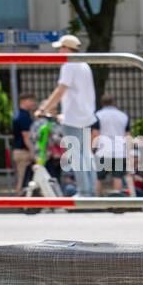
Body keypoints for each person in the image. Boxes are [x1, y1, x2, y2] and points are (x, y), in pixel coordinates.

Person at [38, 34, 96, 198]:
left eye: (59, 48)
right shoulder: (84, 65)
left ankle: (84, 192)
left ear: (65, 49)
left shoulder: (69, 65)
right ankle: (90, 190)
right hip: (86, 115)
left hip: (73, 117)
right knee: (86, 154)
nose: (58, 52)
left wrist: (44, 108)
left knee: (76, 154)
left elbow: (61, 90)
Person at [95, 93, 131, 195]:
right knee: (117, 177)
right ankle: (117, 202)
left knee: (98, 177)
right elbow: (128, 136)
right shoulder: (123, 116)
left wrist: (91, 149)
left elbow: (95, 134)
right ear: (114, 102)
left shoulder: (98, 115)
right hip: (119, 151)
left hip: (103, 151)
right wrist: (128, 152)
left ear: (102, 103)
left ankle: (97, 201)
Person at [11, 93, 36, 195]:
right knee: (22, 179)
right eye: (31, 100)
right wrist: (32, 152)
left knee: (23, 178)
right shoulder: (24, 116)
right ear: (23, 101)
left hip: (19, 151)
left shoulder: (19, 115)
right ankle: (20, 202)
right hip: (23, 151)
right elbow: (26, 137)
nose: (33, 103)